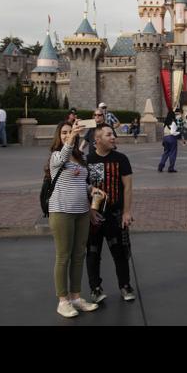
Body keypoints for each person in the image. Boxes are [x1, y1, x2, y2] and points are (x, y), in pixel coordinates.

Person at [47, 120, 104, 318]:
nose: (66, 134)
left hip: (81, 212)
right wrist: (72, 138)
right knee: (63, 256)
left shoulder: (78, 158)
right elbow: (63, 155)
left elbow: (81, 183)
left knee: (79, 255)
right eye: (63, 132)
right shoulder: (56, 156)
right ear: (58, 135)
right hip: (61, 211)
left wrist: (92, 189)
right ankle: (62, 301)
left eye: (70, 132)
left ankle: (76, 297)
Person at [86, 123, 136, 304]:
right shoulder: (88, 161)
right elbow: (84, 189)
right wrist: (90, 212)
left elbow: (128, 187)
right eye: (108, 135)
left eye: (113, 134)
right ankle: (95, 288)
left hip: (115, 214)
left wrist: (127, 212)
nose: (113, 137)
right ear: (97, 139)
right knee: (93, 253)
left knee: (120, 252)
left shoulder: (121, 159)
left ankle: (125, 285)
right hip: (94, 216)